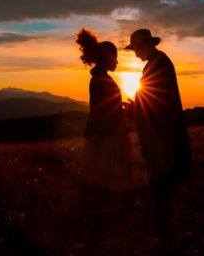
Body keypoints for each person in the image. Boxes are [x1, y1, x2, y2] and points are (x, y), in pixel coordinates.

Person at [125, 29, 191, 254]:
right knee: (163, 185)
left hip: (161, 137)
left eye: (136, 50)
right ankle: (167, 231)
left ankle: (166, 235)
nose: (135, 55)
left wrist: (133, 108)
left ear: (144, 46)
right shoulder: (159, 62)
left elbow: (152, 99)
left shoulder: (156, 63)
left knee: (160, 185)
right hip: (163, 134)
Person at [76, 28, 133, 255]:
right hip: (105, 137)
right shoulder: (102, 80)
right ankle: (98, 226)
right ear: (108, 58)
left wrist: (121, 109)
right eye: (116, 58)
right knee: (103, 178)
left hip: (102, 135)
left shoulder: (100, 78)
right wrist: (126, 111)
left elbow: (104, 109)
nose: (118, 63)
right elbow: (104, 112)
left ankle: (97, 223)